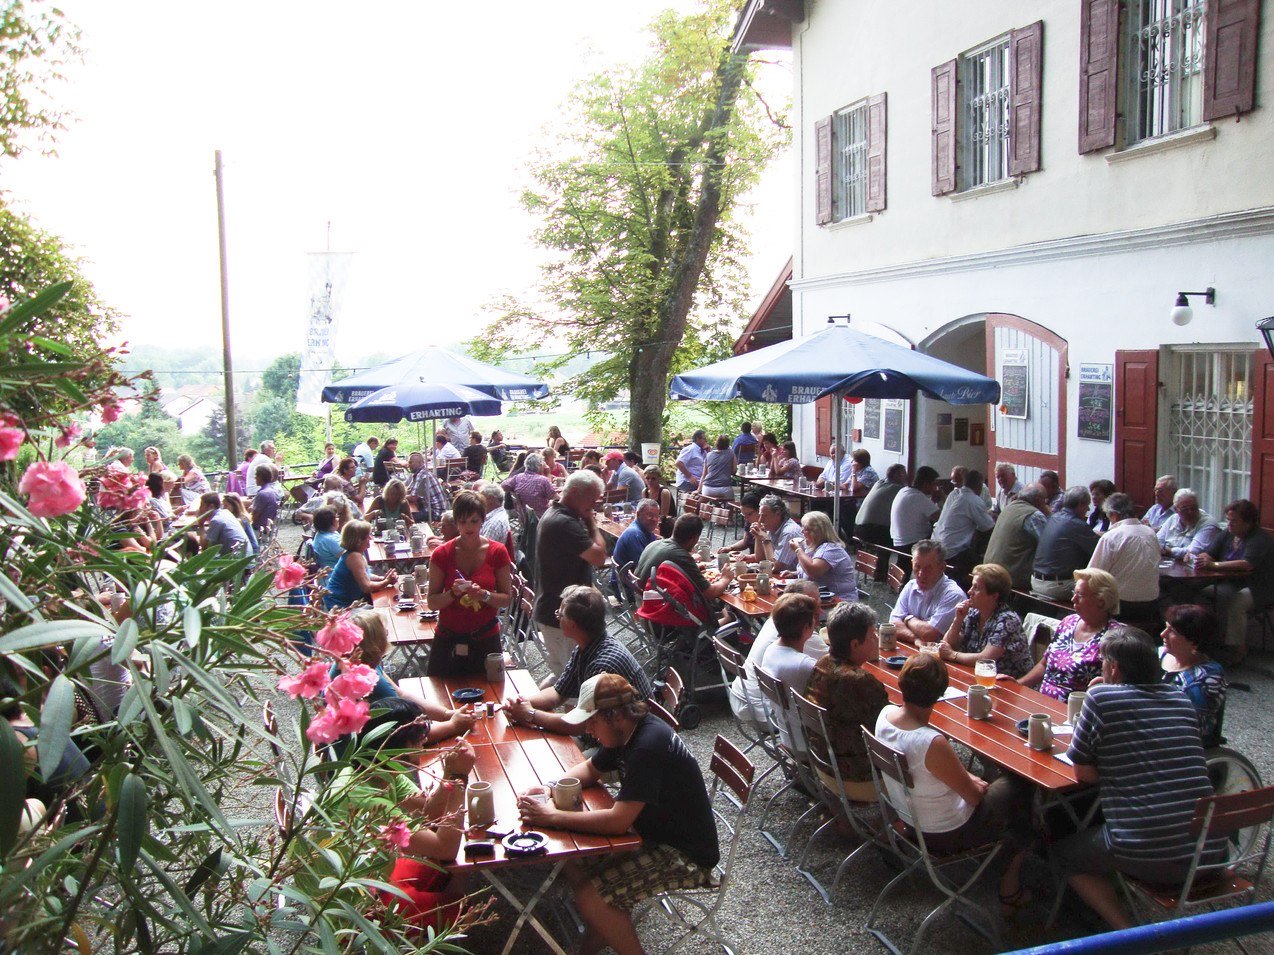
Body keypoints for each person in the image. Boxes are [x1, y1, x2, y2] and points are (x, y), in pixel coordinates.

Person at [516, 673, 718, 955]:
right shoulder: (626, 732)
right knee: (574, 861)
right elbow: (589, 769)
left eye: (592, 721)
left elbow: (617, 821)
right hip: (649, 834)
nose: (588, 729)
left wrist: (550, 817)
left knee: (592, 896)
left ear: (614, 715)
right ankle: (594, 940)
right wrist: (550, 788)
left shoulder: (647, 746)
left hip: (683, 854)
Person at [1057, 628, 1227, 931]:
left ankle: (1129, 933)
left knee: (1063, 854)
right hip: (1212, 850)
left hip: (1147, 852)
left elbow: (1082, 772)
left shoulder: (1101, 697)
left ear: (1114, 668)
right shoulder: (1179, 697)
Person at [874, 654, 1034, 915]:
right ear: (940, 693)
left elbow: (934, 770)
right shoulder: (930, 742)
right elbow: (973, 797)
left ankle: (1010, 862)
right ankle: (1010, 885)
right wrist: (979, 784)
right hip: (944, 833)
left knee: (997, 788)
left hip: (909, 819)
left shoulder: (885, 715)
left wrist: (969, 777)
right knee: (1021, 786)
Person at [327, 700, 473, 935]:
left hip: (373, 872)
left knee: (446, 869)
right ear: (396, 747)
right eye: (417, 739)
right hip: (353, 903)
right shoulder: (365, 798)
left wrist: (447, 774)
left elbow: (426, 812)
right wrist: (459, 779)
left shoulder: (375, 765)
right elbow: (445, 848)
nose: (424, 742)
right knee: (463, 906)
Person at [505, 586, 653, 734]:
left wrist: (530, 715)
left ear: (572, 625)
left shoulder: (602, 666)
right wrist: (518, 705)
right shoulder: (586, 646)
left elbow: (581, 725)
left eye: (560, 615)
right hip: (611, 733)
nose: (557, 617)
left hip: (631, 742)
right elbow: (558, 693)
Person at [423, 490, 513, 675]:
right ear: (456, 523)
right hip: (449, 638)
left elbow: (506, 598)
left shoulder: (497, 551)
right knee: (441, 695)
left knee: (492, 697)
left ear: (482, 520)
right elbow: (431, 602)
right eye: (463, 522)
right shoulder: (441, 554)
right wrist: (452, 593)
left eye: (474, 521)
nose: (469, 527)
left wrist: (484, 595)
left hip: (485, 637)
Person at [805, 602, 889, 801]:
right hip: (856, 777)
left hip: (822, 765)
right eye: (871, 635)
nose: (876, 638)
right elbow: (890, 724)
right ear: (855, 644)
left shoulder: (823, 662)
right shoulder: (858, 680)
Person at [535, 470, 609, 675]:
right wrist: (591, 523)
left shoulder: (559, 514)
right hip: (561, 615)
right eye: (591, 500)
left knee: (562, 677)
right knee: (572, 682)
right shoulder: (564, 522)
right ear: (575, 492)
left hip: (557, 611)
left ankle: (529, 707)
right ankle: (529, 707)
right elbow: (600, 557)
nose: (593, 507)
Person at [1007, 568, 1119, 701]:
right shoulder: (1068, 622)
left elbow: (1115, 685)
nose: (1073, 599)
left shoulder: (1114, 636)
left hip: (1076, 711)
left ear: (1101, 601)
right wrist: (1019, 684)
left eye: (1080, 595)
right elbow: (1044, 664)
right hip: (1041, 702)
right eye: (1074, 593)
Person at [730, 581, 821, 726]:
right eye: (815, 607)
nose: (820, 612)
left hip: (742, 697)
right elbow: (836, 666)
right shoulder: (804, 644)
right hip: (764, 713)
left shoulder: (776, 622)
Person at [1196, 498, 1274, 665]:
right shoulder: (1227, 534)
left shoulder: (1260, 538)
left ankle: (1237, 650)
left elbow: (1246, 564)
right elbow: (1209, 552)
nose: (1229, 524)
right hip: (1228, 583)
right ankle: (1205, 642)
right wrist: (1204, 557)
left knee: (1236, 602)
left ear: (1248, 522)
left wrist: (1214, 564)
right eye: (1228, 520)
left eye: (1234, 521)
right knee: (1197, 593)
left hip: (1258, 587)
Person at [938, 563, 1033, 678]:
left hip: (1009, 684)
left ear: (994, 596)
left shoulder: (1007, 620)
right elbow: (948, 644)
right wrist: (958, 620)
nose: (969, 592)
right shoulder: (973, 612)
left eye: (976, 588)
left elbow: (986, 659)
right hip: (976, 675)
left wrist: (953, 655)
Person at [760, 592, 821, 752]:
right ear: (807, 627)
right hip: (811, 746)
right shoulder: (803, 665)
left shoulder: (771, 650)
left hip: (788, 735)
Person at [1160, 604, 1226, 748]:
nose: (1163, 634)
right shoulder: (1159, 654)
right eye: (1165, 627)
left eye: (1172, 632)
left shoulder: (1206, 677)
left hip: (1177, 740)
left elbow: (1192, 725)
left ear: (1194, 640)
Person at [1088, 492, 1160, 621]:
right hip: (1151, 603)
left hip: (1121, 606)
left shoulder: (1112, 536)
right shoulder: (1151, 533)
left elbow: (1093, 574)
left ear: (1114, 515)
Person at [635, 514, 736, 601]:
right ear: (694, 538)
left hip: (643, 600)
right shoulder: (680, 555)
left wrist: (693, 570)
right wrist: (725, 579)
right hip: (660, 608)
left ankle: (726, 618)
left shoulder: (654, 544)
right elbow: (710, 593)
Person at [890, 540, 967, 646]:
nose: (921, 574)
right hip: (913, 648)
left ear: (942, 567)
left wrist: (907, 618)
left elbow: (929, 634)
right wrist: (915, 639)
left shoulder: (953, 595)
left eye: (928, 569)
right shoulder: (911, 585)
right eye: (917, 566)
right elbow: (893, 624)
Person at [1031, 485, 1100, 601]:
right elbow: (1099, 550)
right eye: (1087, 505)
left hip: (1035, 581)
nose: (1088, 509)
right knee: (1102, 587)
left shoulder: (1053, 518)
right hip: (1056, 586)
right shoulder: (1077, 525)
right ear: (1079, 505)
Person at [983, 483, 1050, 591]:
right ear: (1038, 499)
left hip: (990, 569)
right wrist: (1049, 514)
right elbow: (1048, 546)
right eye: (1045, 499)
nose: (1047, 503)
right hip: (1012, 576)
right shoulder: (1034, 515)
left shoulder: (1009, 507)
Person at [323, 520, 397, 609]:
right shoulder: (354, 557)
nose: (370, 538)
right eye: (367, 536)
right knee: (383, 612)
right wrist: (386, 582)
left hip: (346, 602)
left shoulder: (356, 554)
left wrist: (382, 578)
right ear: (358, 540)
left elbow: (365, 575)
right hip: (340, 606)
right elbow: (367, 587)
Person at [932, 468, 995, 569]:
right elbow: (988, 528)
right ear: (979, 486)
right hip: (952, 552)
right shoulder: (973, 500)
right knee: (986, 564)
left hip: (936, 546)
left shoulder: (954, 495)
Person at [792, 511, 858, 601]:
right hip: (824, 599)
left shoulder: (831, 549)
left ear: (816, 533)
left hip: (839, 601)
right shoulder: (814, 546)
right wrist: (795, 573)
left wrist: (798, 550)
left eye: (805, 529)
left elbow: (813, 571)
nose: (801, 531)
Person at [856, 463, 908, 557]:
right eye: (904, 474)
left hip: (858, 527)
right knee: (905, 543)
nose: (906, 476)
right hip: (872, 530)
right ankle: (883, 569)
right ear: (897, 476)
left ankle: (880, 566)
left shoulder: (879, 483)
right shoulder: (899, 489)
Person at [612, 499, 660, 596]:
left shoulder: (646, 531)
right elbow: (644, 569)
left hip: (629, 583)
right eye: (650, 515)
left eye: (657, 516)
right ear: (638, 514)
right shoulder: (634, 534)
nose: (654, 519)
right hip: (626, 589)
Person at [1157, 488, 1222, 560]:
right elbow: (1156, 542)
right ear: (1176, 510)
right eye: (1185, 509)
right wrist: (1160, 549)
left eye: (1194, 508)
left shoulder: (1208, 524)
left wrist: (1168, 551)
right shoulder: (1172, 519)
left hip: (1195, 568)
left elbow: (1193, 552)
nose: (1190, 512)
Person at [890, 466, 940, 551]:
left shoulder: (904, 490)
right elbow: (941, 518)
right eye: (934, 484)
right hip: (912, 543)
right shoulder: (919, 497)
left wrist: (933, 501)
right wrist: (942, 499)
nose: (935, 488)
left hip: (899, 542)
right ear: (926, 484)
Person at [751, 494, 803, 573]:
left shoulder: (789, 532)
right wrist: (758, 537)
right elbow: (761, 560)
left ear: (778, 514)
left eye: (764, 516)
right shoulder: (772, 526)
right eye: (760, 516)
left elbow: (775, 567)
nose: (760, 521)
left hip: (794, 580)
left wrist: (766, 540)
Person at [194, 491, 250, 557]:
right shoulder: (226, 513)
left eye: (201, 505)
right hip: (245, 557)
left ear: (211, 507)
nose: (199, 509)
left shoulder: (216, 520)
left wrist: (201, 524)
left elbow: (205, 548)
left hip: (239, 563)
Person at [501, 452, 557, 517]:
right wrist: (548, 474)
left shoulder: (518, 477)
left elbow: (503, 485)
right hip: (541, 517)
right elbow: (554, 497)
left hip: (524, 517)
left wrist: (515, 492)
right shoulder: (543, 480)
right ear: (539, 466)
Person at [717, 490, 762, 561]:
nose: (746, 518)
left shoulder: (767, 526)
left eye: (749, 514)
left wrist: (748, 557)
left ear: (759, 510)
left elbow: (766, 556)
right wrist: (730, 548)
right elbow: (745, 542)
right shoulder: (749, 522)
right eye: (743, 515)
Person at [405, 451, 447, 523]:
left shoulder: (422, 475)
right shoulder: (421, 472)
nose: (408, 465)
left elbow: (413, 497)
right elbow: (409, 490)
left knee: (408, 518)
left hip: (435, 512)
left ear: (420, 463)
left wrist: (399, 497)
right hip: (432, 509)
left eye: (410, 462)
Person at [642, 465, 676, 537]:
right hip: (652, 522)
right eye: (647, 478)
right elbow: (644, 511)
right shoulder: (644, 492)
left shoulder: (664, 492)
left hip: (666, 526)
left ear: (659, 479)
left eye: (653, 478)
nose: (650, 481)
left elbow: (663, 516)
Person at [699, 435, 736, 500]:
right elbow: (734, 471)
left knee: (709, 500)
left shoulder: (709, 455)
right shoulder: (731, 453)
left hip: (707, 488)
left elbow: (704, 474)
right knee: (732, 504)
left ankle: (716, 507)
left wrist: (699, 489)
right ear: (728, 444)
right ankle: (728, 509)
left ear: (716, 444)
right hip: (724, 488)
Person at [251, 463, 284, 534]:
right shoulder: (273, 491)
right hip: (269, 526)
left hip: (260, 529)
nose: (255, 478)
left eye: (256, 475)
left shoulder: (262, 494)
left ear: (260, 477)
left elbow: (254, 517)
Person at [478, 484, 512, 550]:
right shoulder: (498, 515)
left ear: (490, 498)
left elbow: (484, 550)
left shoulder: (494, 524)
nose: (479, 502)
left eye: (481, 498)